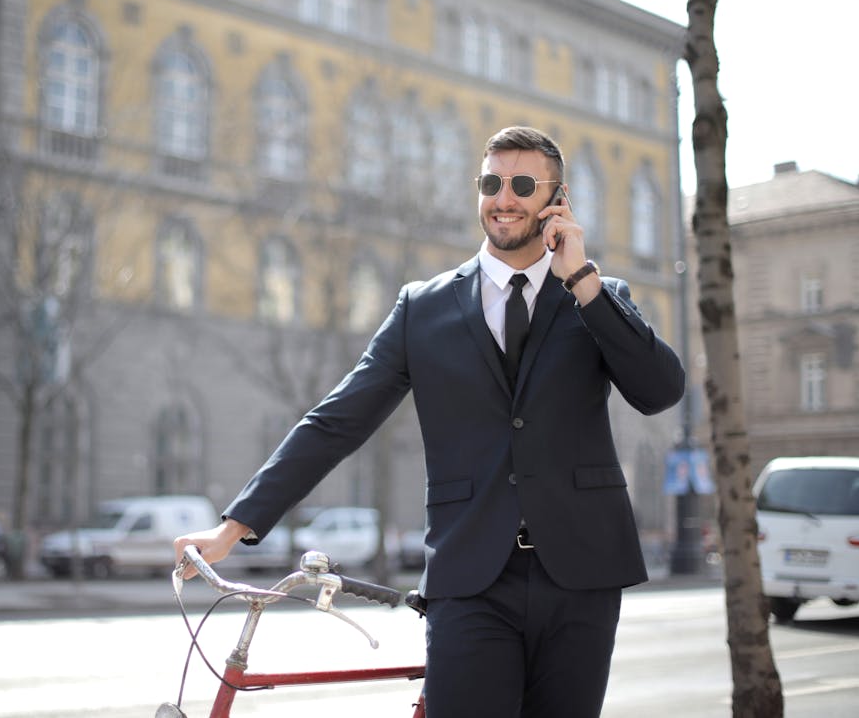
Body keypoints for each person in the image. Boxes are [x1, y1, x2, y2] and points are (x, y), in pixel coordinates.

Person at [173, 125, 685, 717]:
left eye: (523, 184)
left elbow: (660, 391)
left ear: (557, 199)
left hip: (581, 572)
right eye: (492, 182)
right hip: (471, 578)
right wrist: (233, 527)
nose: (505, 198)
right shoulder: (424, 307)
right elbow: (336, 420)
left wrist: (583, 278)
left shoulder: (597, 296)